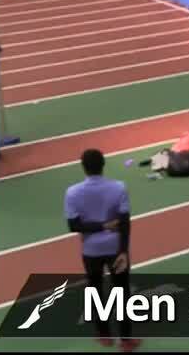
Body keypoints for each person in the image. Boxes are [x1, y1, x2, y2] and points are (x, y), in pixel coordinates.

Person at [65, 149, 138, 350]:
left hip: (91, 250)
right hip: (115, 248)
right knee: (122, 292)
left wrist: (99, 226)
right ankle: (126, 340)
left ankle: (104, 335)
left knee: (95, 290)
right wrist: (123, 251)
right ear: (103, 165)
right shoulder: (119, 187)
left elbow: (74, 226)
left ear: (83, 167)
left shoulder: (72, 192)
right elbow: (125, 222)